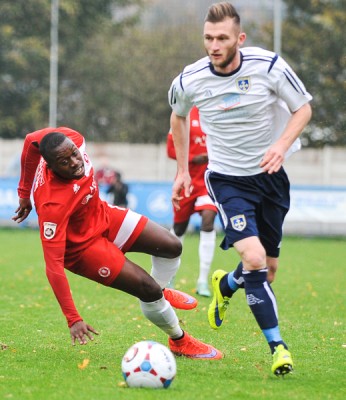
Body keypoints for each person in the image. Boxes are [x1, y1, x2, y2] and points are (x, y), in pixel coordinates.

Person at [168, 2, 312, 375]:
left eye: (222, 38)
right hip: (227, 180)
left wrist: (280, 146)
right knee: (255, 259)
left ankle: (227, 284)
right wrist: (183, 170)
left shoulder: (268, 67)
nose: (213, 45)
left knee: (269, 268)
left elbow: (303, 109)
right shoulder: (190, 79)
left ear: (239, 39)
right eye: (208, 38)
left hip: (271, 178)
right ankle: (278, 347)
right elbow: (178, 115)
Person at [12, 126, 222, 360]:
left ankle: (161, 290)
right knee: (147, 289)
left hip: (101, 215)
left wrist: (23, 193)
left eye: (73, 153)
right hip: (83, 249)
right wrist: (73, 318)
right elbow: (53, 265)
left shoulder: (69, 139)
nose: (74, 162)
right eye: (64, 162)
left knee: (172, 246)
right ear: (50, 166)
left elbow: (31, 140)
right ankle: (179, 340)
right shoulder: (52, 206)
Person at [166, 106, 218, 297]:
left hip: (209, 181)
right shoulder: (184, 113)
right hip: (186, 179)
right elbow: (170, 150)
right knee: (179, 229)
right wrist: (193, 158)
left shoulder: (217, 110)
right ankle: (169, 276)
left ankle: (203, 281)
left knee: (208, 220)